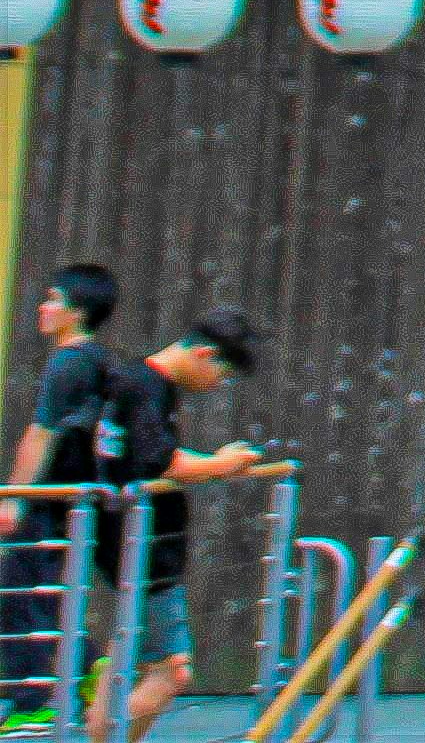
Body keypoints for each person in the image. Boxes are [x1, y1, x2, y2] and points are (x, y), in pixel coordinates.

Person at [66, 313, 256, 742]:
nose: (217, 384)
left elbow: (144, 454)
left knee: (125, 658)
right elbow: (160, 461)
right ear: (205, 354)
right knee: (172, 671)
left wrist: (212, 464)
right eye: (222, 374)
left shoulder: (140, 383)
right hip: (143, 549)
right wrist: (221, 464)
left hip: (133, 542)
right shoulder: (145, 387)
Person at [0, 271, 115, 738]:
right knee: (40, 600)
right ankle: (94, 668)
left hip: (50, 502)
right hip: (74, 503)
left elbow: (40, 435)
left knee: (17, 603)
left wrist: (14, 497)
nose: (43, 309)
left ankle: (32, 703)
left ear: (78, 311)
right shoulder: (96, 361)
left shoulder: (69, 363)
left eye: (53, 300)